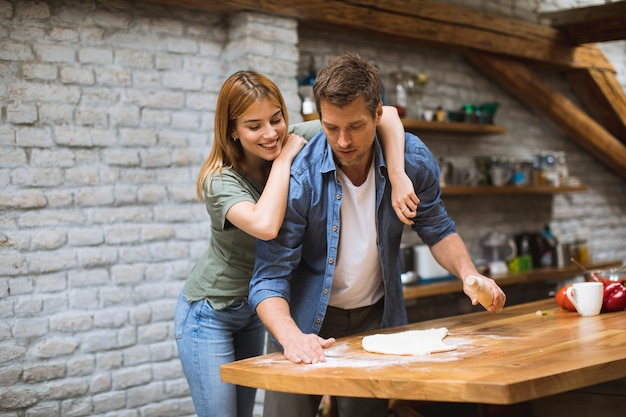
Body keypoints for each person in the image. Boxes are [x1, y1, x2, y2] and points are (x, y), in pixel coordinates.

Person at [248, 53, 507, 417]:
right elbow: (269, 277)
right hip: (301, 320)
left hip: (376, 318)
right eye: (330, 127)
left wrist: (469, 273)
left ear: (378, 115)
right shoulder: (299, 178)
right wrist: (291, 338)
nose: (342, 141)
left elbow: (438, 229)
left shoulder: (412, 161)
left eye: (355, 126)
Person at [174, 70, 416, 417]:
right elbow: (265, 225)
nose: (271, 134)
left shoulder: (296, 135)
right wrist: (285, 159)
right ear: (232, 130)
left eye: (276, 119)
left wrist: (397, 173)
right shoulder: (221, 180)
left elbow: (387, 116)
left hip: (258, 309)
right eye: (254, 126)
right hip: (211, 311)